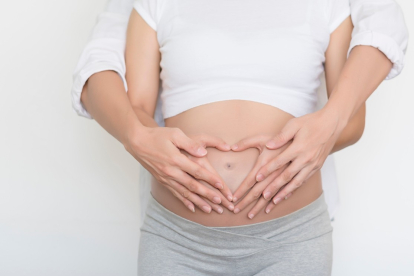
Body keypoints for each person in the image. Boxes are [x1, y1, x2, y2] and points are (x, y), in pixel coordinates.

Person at [71, 0, 408, 274]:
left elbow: (351, 120)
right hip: (177, 240)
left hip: (290, 239)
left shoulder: (329, 6)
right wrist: (146, 138)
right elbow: (137, 108)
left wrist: (308, 144)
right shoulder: (152, 5)